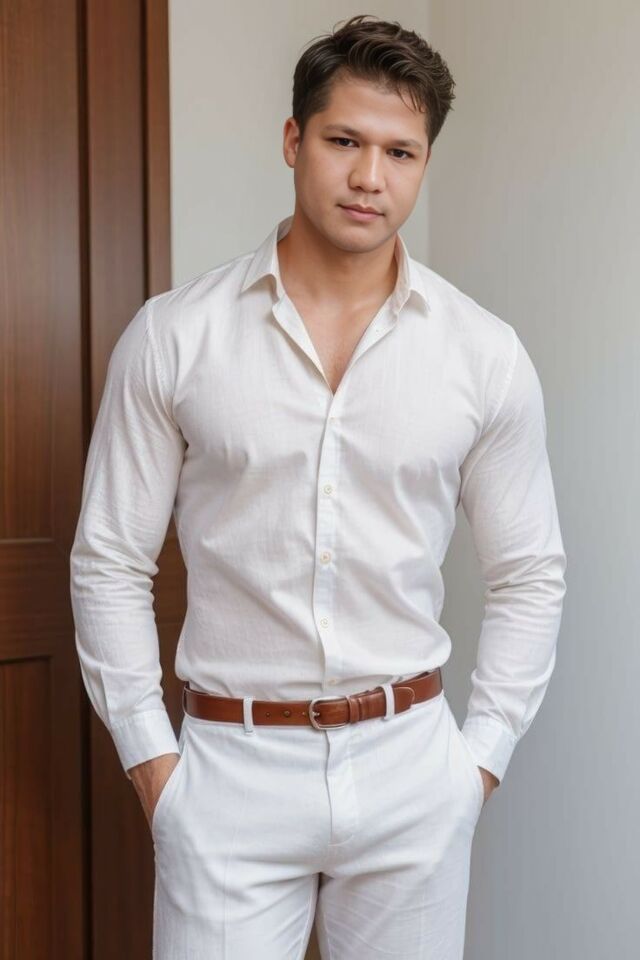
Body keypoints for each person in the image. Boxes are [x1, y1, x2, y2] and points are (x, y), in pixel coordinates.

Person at [69, 13, 567, 959]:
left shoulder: (484, 355)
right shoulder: (175, 337)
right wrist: (155, 767)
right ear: (294, 141)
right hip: (228, 774)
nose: (370, 176)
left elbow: (530, 572)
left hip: (412, 769)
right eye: (344, 141)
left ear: (424, 163)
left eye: (400, 152)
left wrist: (477, 767)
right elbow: (108, 561)